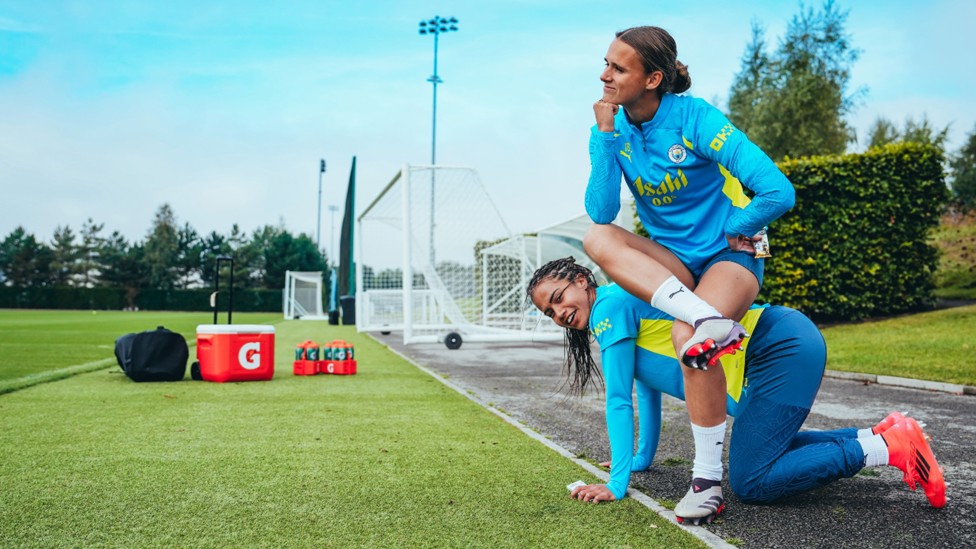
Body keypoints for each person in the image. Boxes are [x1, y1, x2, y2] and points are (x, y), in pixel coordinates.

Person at [527, 257, 947, 524]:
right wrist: (639, 460)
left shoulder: (608, 308)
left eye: (560, 297)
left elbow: (619, 401)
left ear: (583, 279)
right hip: (783, 341)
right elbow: (646, 393)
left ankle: (888, 449)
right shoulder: (618, 306)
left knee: (752, 480)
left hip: (776, 348)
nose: (560, 313)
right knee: (764, 447)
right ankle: (880, 433)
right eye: (550, 312)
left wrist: (616, 484)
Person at [582, 25, 796, 516]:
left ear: (653, 78)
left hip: (728, 260)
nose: (604, 75)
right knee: (597, 238)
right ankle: (706, 318)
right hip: (674, 264)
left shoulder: (696, 118)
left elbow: (777, 191)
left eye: (618, 68)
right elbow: (599, 211)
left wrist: (738, 227)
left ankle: (706, 483)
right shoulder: (617, 131)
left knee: (690, 342)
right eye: (606, 63)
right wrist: (604, 136)